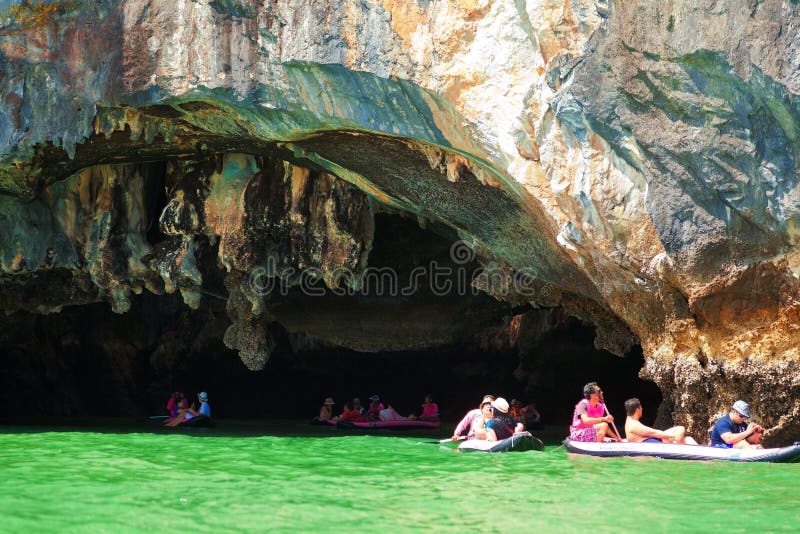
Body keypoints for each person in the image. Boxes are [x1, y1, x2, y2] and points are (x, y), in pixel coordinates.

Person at [624, 398, 697, 444]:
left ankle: (680, 442)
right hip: (652, 443)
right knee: (680, 430)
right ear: (638, 409)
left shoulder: (630, 421)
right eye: (641, 407)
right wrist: (673, 436)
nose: (642, 409)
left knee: (685, 435)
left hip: (651, 441)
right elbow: (653, 433)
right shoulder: (633, 425)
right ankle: (680, 444)